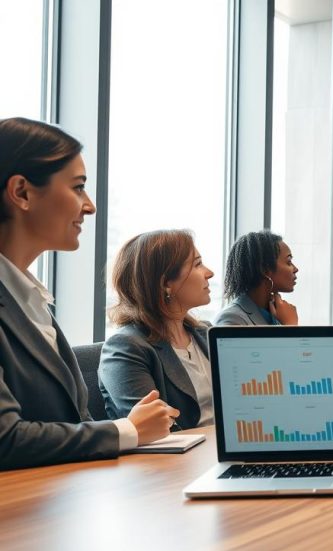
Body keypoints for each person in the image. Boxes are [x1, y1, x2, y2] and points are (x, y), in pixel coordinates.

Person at [0, 117, 177, 470]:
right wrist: (126, 430)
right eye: (78, 187)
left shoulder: (30, 299)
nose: (90, 205)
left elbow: (67, 422)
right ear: (22, 192)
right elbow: (7, 439)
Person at [99, 230, 216, 429]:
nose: (209, 272)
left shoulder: (206, 333)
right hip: (183, 458)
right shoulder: (125, 347)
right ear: (165, 284)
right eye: (197, 264)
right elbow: (156, 430)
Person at [215, 230, 299, 326]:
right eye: (288, 262)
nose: (296, 269)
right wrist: (290, 325)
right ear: (265, 270)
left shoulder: (278, 313)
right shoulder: (232, 319)